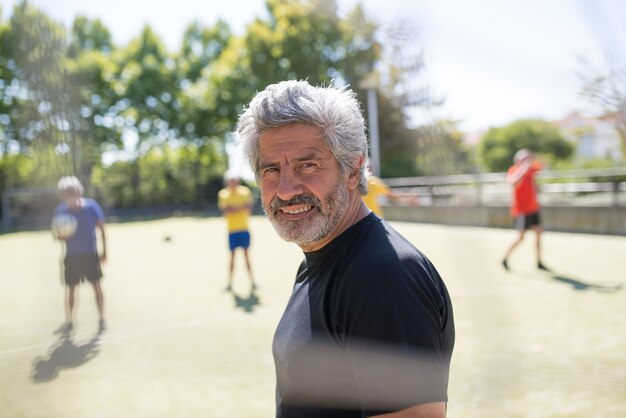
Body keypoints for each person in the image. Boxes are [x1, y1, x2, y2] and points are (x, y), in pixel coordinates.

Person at [237, 80, 454, 418]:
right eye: (271, 169)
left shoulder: (383, 277)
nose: (286, 188)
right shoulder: (322, 259)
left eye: (307, 165)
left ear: (353, 170)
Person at [53, 176, 107, 333]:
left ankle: (102, 319)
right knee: (70, 290)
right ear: (63, 193)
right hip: (72, 257)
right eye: (66, 191)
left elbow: (102, 228)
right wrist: (62, 236)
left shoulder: (91, 207)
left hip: (90, 255)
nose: (70, 193)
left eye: (72, 190)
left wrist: (104, 251)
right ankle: (70, 320)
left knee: (97, 287)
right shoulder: (60, 211)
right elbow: (56, 235)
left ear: (79, 190)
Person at [501, 148, 549, 271]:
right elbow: (513, 182)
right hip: (521, 211)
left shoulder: (531, 170)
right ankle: (505, 258)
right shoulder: (514, 170)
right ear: (518, 160)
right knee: (521, 237)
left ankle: (539, 261)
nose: (528, 161)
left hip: (533, 209)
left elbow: (545, 166)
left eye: (529, 158)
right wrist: (523, 168)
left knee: (538, 232)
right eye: (524, 158)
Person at [217, 172, 256, 292]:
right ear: (228, 182)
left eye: (235, 181)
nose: (233, 183)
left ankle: (253, 282)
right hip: (232, 231)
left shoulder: (245, 191)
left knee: (246, 257)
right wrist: (241, 207)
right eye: (231, 181)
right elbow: (225, 211)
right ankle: (229, 284)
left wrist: (233, 208)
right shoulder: (223, 194)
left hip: (244, 230)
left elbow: (249, 207)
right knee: (232, 258)